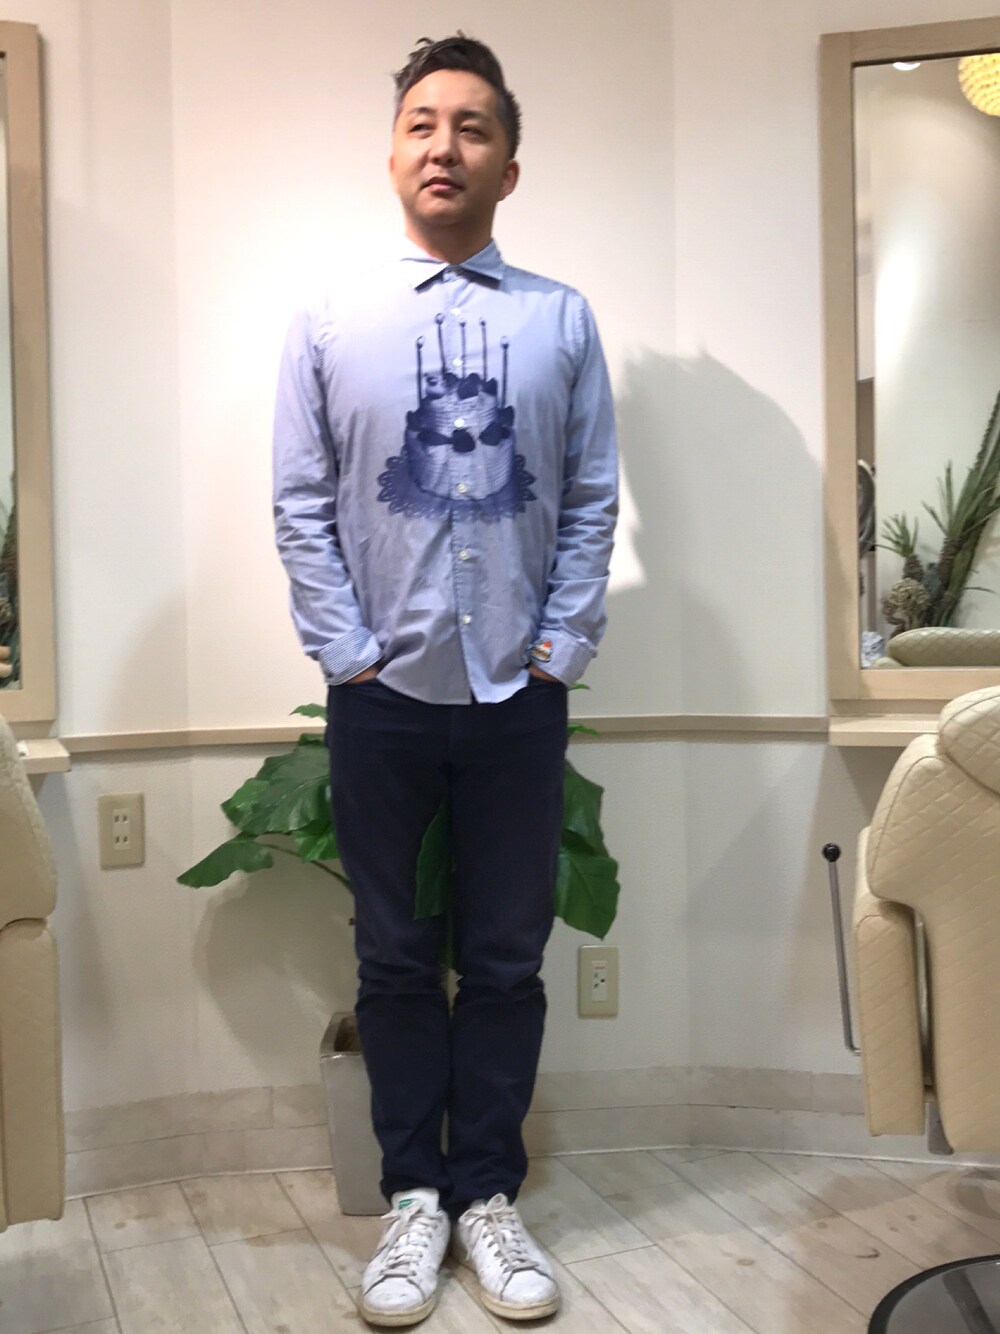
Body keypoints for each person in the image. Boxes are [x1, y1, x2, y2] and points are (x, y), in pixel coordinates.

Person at [273, 32, 617, 1327]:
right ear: (393, 155)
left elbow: (592, 496)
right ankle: (413, 1196)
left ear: (507, 167)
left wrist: (560, 648)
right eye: (423, 122)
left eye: (472, 127)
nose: (444, 145)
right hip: (382, 699)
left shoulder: (561, 319)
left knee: (510, 958)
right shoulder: (329, 318)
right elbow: (299, 500)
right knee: (397, 959)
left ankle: (487, 1196)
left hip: (518, 698)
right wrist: (347, 652)